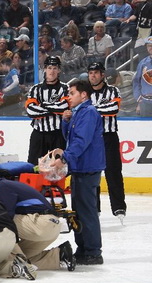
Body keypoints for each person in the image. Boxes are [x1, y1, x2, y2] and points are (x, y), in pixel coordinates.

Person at [51, 79, 105, 266]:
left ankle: (93, 251)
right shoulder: (79, 113)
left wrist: (64, 158)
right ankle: (83, 249)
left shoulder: (88, 113)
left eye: (72, 93)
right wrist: (66, 122)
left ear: (83, 95)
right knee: (80, 211)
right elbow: (70, 138)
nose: (69, 97)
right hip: (81, 168)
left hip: (87, 168)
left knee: (87, 211)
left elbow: (81, 142)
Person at [0, 176, 76, 272]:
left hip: (41, 223)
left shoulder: (1, 186)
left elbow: (6, 215)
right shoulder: (7, 185)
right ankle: (59, 255)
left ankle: (16, 260)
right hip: (50, 226)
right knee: (14, 260)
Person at [87, 62, 127, 221]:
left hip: (109, 137)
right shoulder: (84, 93)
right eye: (90, 73)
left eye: (96, 73)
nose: (93, 76)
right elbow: (79, 111)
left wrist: (91, 110)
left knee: (113, 172)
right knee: (91, 173)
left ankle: (119, 208)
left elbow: (114, 109)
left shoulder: (113, 90)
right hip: (90, 139)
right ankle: (94, 208)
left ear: (102, 75)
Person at [25, 55, 69, 165]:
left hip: (58, 134)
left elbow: (64, 107)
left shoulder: (65, 88)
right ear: (45, 69)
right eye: (49, 68)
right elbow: (30, 111)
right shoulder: (35, 89)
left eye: (55, 68)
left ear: (59, 70)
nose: (52, 71)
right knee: (34, 166)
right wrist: (53, 108)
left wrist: (42, 105)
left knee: (58, 167)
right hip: (39, 134)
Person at [132, 36, 152, 116]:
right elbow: (136, 81)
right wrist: (139, 99)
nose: (151, 48)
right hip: (145, 103)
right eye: (149, 46)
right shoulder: (143, 63)